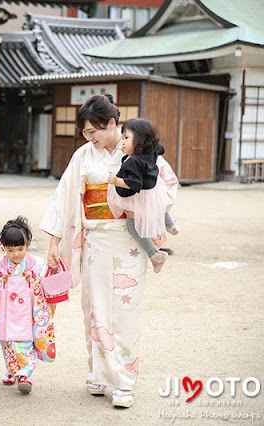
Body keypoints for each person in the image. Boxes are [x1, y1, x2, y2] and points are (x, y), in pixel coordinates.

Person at [40, 94, 178, 408]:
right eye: (85, 134)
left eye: (93, 132)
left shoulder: (140, 149)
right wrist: (54, 241)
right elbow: (63, 197)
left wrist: (138, 201)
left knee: (124, 311)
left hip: (128, 242)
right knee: (95, 309)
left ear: (112, 124)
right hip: (95, 241)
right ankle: (100, 375)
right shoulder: (83, 156)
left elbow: (168, 187)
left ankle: (125, 382)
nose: (89, 139)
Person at [0, 216, 56, 395]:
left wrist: (54, 269)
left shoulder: (36, 265)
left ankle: (25, 374)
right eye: (11, 250)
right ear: (3, 247)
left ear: (28, 244)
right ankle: (11, 370)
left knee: (24, 344)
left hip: (26, 314)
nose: (16, 254)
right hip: (6, 314)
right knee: (7, 344)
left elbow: (48, 278)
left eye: (20, 249)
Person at [106, 118, 180, 274]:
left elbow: (134, 184)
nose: (122, 142)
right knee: (158, 206)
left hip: (140, 195)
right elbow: (161, 148)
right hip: (154, 190)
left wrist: (116, 180)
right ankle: (171, 225)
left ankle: (154, 254)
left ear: (140, 139)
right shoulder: (152, 151)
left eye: (126, 138)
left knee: (133, 226)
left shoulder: (133, 161)